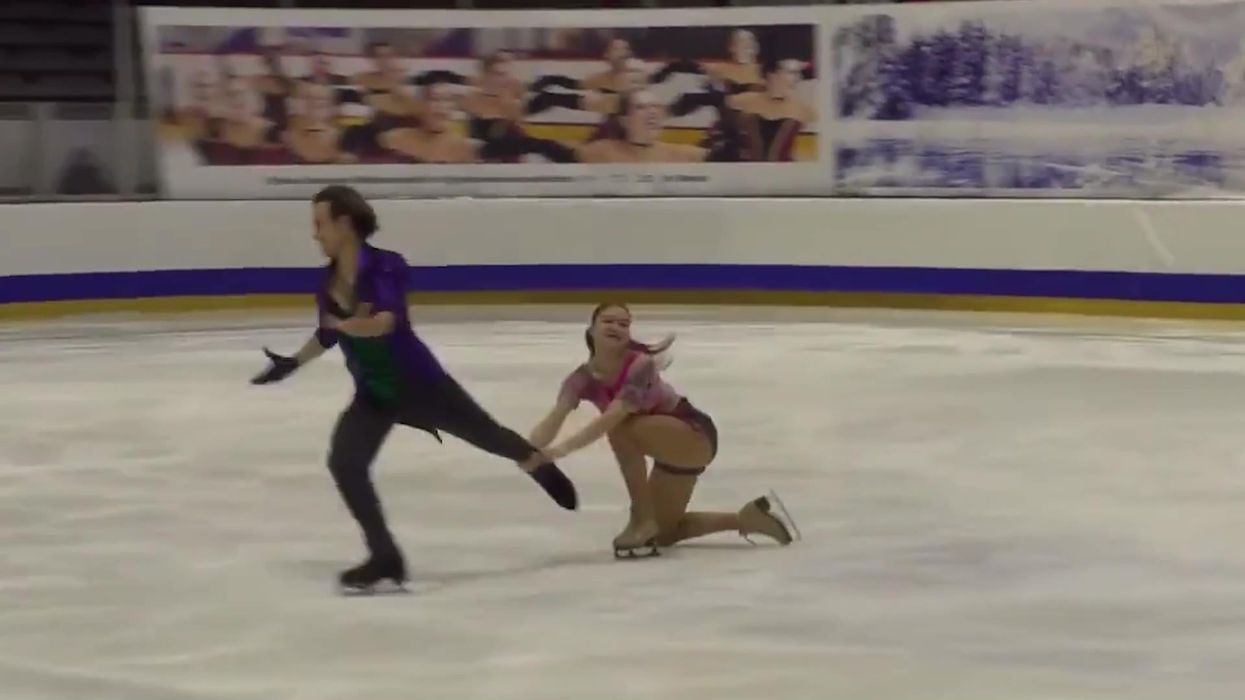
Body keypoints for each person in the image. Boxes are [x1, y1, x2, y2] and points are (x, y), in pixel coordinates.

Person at [251, 185, 578, 593]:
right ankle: (384, 555)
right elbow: (327, 332)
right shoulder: (327, 280)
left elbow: (386, 321)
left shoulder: (387, 266)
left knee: (489, 436)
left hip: (421, 384)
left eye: (320, 224)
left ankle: (533, 460)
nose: (314, 234)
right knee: (345, 463)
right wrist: (293, 363)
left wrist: (350, 325)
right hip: (374, 393)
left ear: (345, 224)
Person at [524, 303, 796, 558]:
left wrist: (560, 451)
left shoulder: (639, 365)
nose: (617, 327)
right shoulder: (580, 379)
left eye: (624, 324)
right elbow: (555, 417)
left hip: (694, 435)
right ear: (591, 331)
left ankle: (641, 517)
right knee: (663, 534)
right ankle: (747, 519)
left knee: (620, 427)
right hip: (669, 453)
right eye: (609, 321)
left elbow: (613, 417)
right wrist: (525, 450)